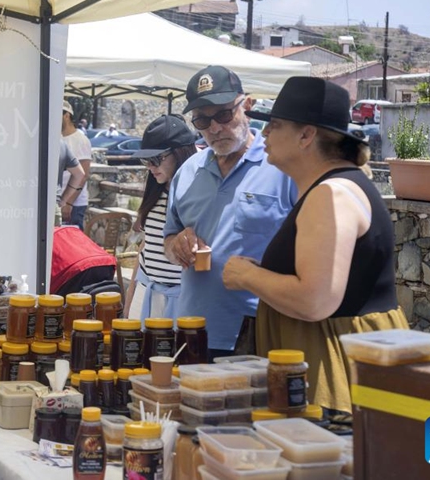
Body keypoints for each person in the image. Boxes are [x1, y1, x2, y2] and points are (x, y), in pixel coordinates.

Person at [222, 77, 409, 413]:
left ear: (306, 135)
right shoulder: (337, 188)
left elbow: (315, 300)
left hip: (332, 362)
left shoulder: (331, 195)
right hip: (336, 353)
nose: (264, 134)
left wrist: (246, 275)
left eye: (275, 125)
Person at [162, 65, 296, 359]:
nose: (214, 128)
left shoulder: (284, 168)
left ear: (247, 105)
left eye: (224, 114)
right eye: (201, 120)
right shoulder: (188, 172)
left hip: (261, 336)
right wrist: (178, 245)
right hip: (191, 333)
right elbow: (168, 241)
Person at [122, 115, 196, 319]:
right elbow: (147, 245)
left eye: (155, 159)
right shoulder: (155, 188)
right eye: (146, 161)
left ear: (180, 153)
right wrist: (130, 299)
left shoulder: (198, 191)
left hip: (183, 298)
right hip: (147, 291)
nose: (150, 167)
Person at [61, 100, 92, 230]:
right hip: (59, 201)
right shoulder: (57, 137)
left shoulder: (80, 140)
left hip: (74, 204)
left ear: (66, 115)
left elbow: (83, 175)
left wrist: (68, 202)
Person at [56, 138, 85, 226]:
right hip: (53, 206)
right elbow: (79, 174)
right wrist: (64, 200)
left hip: (20, 205)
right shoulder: (61, 144)